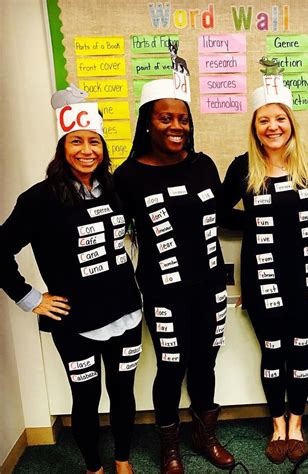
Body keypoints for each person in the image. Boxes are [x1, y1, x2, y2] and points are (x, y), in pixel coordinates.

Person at [0, 98, 143, 474]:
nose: (86, 150)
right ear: (62, 148)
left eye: (93, 141)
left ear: (103, 147)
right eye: (76, 141)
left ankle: (123, 461)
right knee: (86, 399)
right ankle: (94, 468)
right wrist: (31, 298)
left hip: (127, 314)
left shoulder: (115, 189)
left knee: (123, 394)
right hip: (75, 323)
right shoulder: (38, 199)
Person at [113, 78, 235, 474]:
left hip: (211, 286)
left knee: (205, 363)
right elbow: (111, 230)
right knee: (171, 365)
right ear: (148, 122)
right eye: (166, 117)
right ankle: (170, 447)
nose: (176, 126)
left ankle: (205, 435)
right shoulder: (128, 175)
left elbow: (223, 217)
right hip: (163, 291)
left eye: (183, 118)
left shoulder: (203, 165)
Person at [221, 75, 308, 464]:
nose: (273, 126)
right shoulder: (242, 167)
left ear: (291, 121)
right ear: (254, 126)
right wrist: (253, 225)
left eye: (280, 118)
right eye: (264, 120)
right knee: (271, 352)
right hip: (262, 274)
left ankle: (297, 424)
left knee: (300, 351)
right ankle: (277, 425)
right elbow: (218, 213)